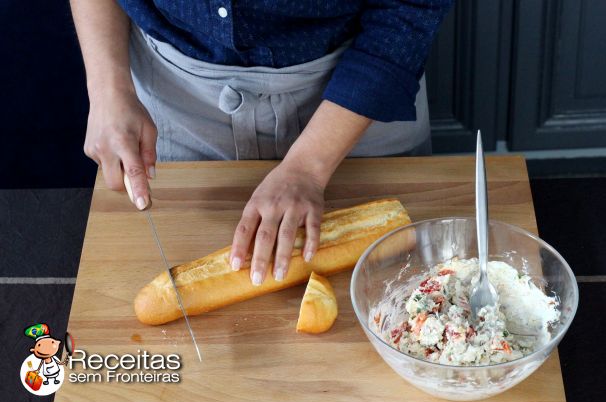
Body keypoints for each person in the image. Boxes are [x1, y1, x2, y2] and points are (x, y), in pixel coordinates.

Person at [70, 0, 453, 286]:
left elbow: (411, 7)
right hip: (175, 96)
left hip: (359, 93)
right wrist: (107, 90)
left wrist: (308, 165)